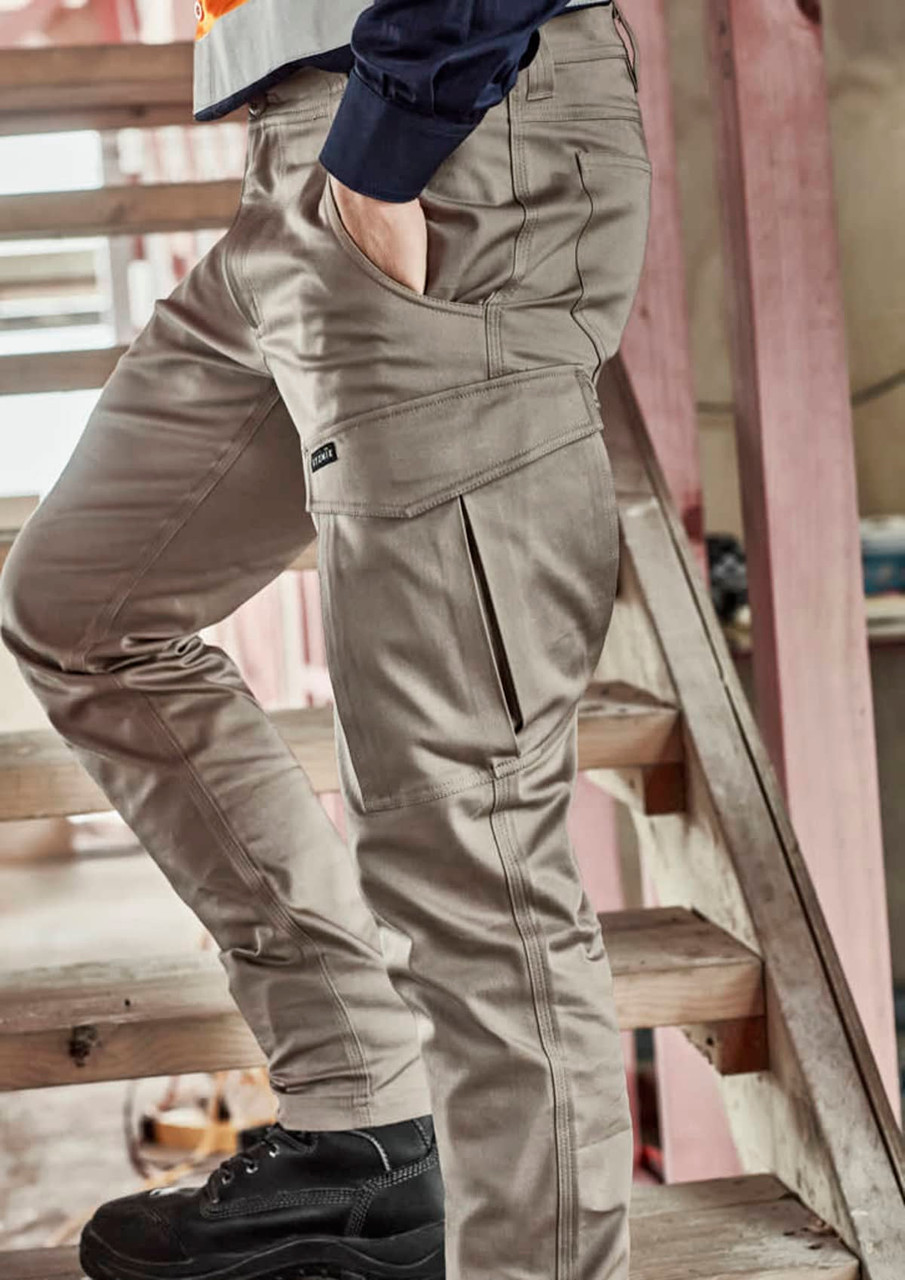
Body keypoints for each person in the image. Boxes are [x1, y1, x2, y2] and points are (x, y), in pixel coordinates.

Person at [0, 0, 652, 1277]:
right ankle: (364, 1120)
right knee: (82, 609)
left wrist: (389, 137)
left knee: (459, 829)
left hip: (452, 140)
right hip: (302, 159)